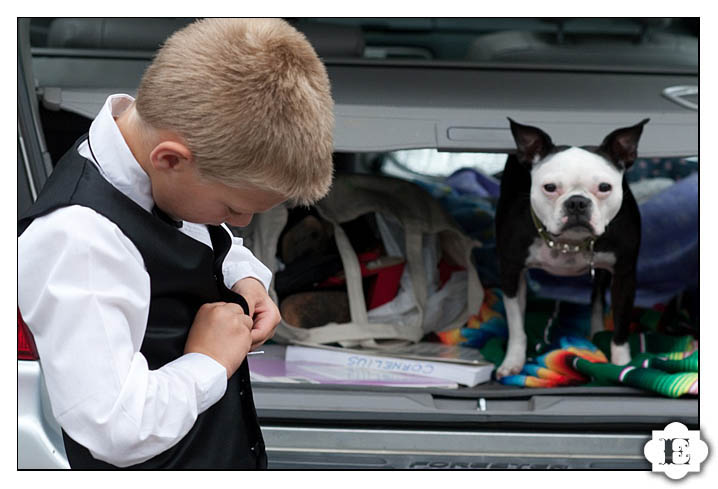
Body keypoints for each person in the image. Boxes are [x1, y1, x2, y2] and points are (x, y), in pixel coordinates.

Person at [18, 18, 334, 469]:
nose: (240, 223)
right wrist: (208, 362)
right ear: (170, 159)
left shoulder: (149, 159)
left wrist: (243, 275)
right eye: (231, 208)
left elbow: (201, 227)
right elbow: (116, 428)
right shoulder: (80, 245)